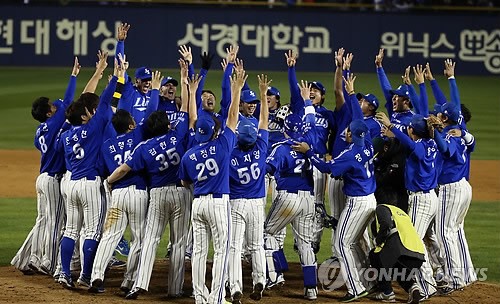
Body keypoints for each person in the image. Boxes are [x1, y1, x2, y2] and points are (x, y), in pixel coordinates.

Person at [88, 70, 162, 294]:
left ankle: (96, 276)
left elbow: (107, 107)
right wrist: (156, 89)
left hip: (117, 195)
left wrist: (116, 82)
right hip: (138, 193)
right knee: (138, 238)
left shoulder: (107, 144)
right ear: (131, 125)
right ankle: (128, 281)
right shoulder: (138, 134)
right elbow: (150, 113)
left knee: (110, 235)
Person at [178, 62, 243, 304]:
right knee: (222, 250)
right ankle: (216, 298)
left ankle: (199, 297)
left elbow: (185, 181)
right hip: (218, 204)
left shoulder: (189, 154)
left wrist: (192, 92)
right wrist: (235, 89)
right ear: (214, 132)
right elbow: (233, 117)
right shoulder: (223, 145)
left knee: (198, 252)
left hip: (198, 203)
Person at [11, 57, 79, 276]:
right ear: (49, 113)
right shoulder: (53, 123)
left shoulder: (39, 130)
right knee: (55, 222)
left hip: (41, 178)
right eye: (51, 106)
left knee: (42, 220)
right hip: (52, 180)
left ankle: (26, 258)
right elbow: (68, 100)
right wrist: (73, 76)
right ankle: (46, 261)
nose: (54, 106)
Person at [58, 51, 119, 289]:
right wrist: (115, 76)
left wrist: (99, 72)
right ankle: (85, 276)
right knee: (92, 231)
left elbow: (90, 102)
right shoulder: (92, 128)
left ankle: (64, 273)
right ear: (85, 115)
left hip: (71, 183)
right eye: (87, 111)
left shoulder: (65, 136)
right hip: (90, 185)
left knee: (71, 229)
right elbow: (104, 101)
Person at [376, 108, 441, 299]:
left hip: (421, 199)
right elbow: (408, 137)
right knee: (419, 241)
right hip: (430, 197)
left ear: (413, 131)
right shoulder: (431, 142)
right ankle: (429, 283)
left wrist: (389, 125)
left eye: (410, 128)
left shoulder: (418, 146)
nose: (408, 130)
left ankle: (426, 287)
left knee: (412, 245)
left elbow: (405, 140)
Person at [264, 80, 318, 300]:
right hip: (308, 200)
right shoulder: (309, 140)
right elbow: (312, 121)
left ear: (285, 129)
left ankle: (276, 273)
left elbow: (266, 168)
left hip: (288, 199)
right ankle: (311, 290)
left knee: (266, 234)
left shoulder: (281, 148)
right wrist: (306, 100)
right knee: (305, 243)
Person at [227, 74, 271, 303]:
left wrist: (236, 90)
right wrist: (263, 94)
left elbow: (232, 121)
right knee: (256, 245)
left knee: (234, 247)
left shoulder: (229, 152)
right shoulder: (262, 147)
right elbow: (264, 121)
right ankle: (260, 281)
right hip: (256, 204)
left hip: (236, 204)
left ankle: (235, 288)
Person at [369, 203, 425, 304]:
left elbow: (386, 224)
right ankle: (413, 288)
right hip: (419, 255)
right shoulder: (401, 213)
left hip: (402, 253)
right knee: (398, 270)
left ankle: (387, 292)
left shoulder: (381, 208)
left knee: (374, 254)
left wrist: (378, 240)